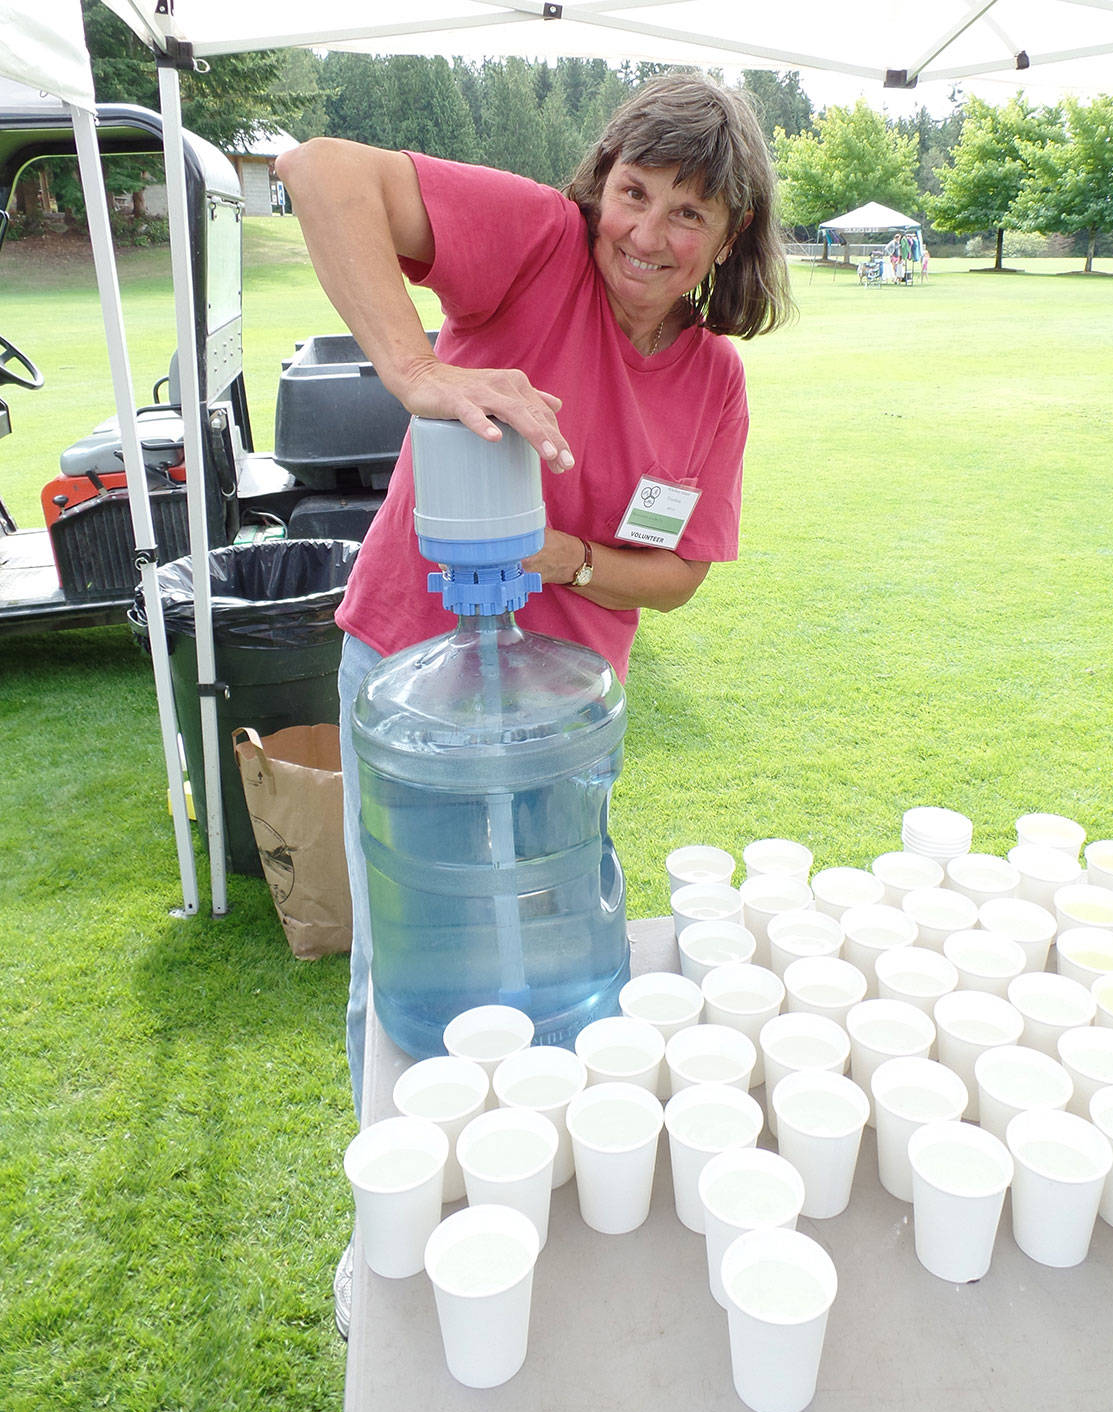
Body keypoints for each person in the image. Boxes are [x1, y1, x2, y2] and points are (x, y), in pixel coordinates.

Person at [278, 69, 792, 1335]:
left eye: (690, 215)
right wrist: (414, 368)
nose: (648, 234)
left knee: (559, 947)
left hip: (564, 711)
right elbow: (322, 167)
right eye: (635, 192)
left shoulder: (712, 380)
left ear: (729, 243)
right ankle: (392, 1240)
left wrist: (561, 558)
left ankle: (536, 1201)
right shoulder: (533, 250)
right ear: (597, 186)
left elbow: (673, 577)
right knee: (412, 957)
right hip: (414, 673)